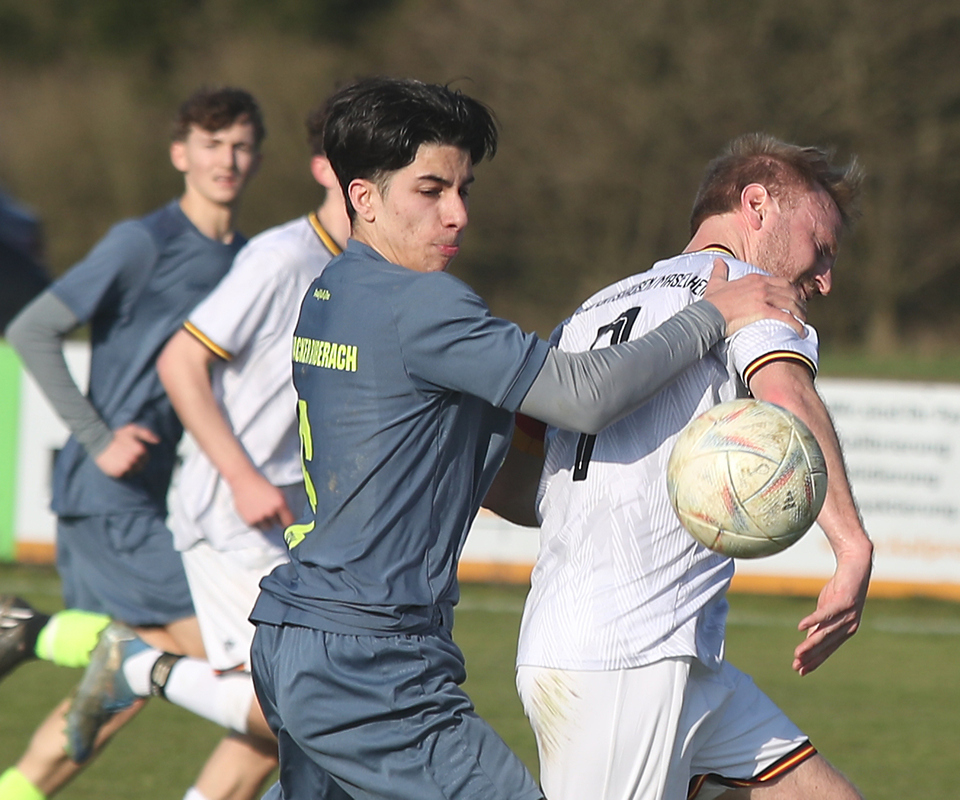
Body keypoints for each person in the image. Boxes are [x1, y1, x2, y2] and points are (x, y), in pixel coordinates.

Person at [243, 77, 808, 800]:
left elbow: (487, 481)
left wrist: (611, 496)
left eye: (464, 190)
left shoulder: (331, 293)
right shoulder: (424, 304)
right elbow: (584, 395)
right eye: (430, 191)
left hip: (295, 634)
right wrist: (713, 314)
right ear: (364, 198)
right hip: (372, 659)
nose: (457, 214)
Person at [514, 133, 874, 800]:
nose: (826, 277)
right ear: (757, 205)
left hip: (664, 654)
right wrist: (852, 547)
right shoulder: (749, 291)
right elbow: (785, 396)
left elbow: (520, 468)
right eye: (820, 246)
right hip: (622, 661)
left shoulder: (593, 308)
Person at [0, 87, 264, 800]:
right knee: (266, 685)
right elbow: (31, 329)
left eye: (241, 145)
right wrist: (99, 438)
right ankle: (33, 630)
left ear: (258, 157)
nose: (226, 159)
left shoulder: (251, 260)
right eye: (211, 144)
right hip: (108, 496)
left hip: (151, 499)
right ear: (180, 154)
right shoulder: (142, 242)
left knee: (119, 688)